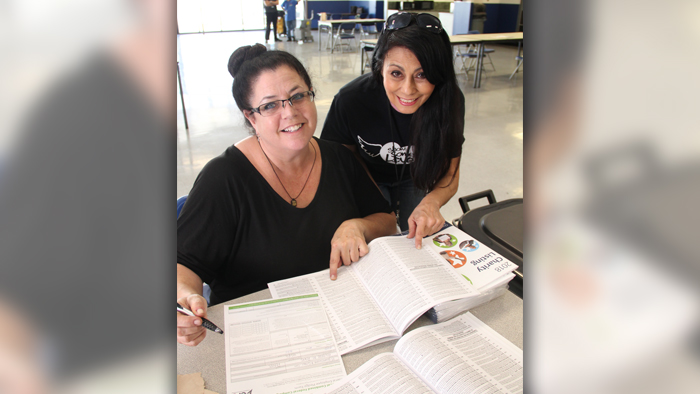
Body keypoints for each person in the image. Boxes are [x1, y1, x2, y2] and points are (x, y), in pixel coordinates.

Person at [176, 44, 396, 346]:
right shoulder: (223, 178)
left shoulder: (338, 158)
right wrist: (187, 297)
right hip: (260, 338)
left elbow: (386, 220)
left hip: (340, 323)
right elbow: (182, 263)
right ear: (250, 117)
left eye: (298, 96)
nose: (290, 112)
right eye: (269, 106)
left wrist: (357, 225)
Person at [321, 12, 465, 248]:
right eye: (396, 73)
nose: (408, 90)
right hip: (367, 176)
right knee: (378, 240)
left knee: (414, 238)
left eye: (423, 74)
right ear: (380, 68)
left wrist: (432, 202)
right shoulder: (351, 100)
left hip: (416, 176)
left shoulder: (449, 101)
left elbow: (451, 171)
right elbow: (337, 162)